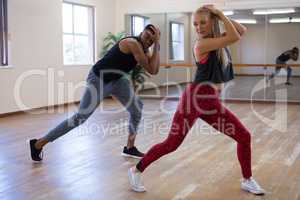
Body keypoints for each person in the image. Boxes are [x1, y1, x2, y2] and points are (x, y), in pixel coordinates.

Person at [128, 5, 265, 195]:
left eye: (203, 22)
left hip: (211, 102)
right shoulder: (202, 44)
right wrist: (219, 15)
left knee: (243, 136)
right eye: (195, 24)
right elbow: (235, 36)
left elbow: (241, 30)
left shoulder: (217, 40)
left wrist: (218, 15)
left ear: (212, 22)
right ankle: (136, 170)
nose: (198, 27)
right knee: (172, 143)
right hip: (194, 100)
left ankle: (247, 179)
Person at [29, 24, 161, 161]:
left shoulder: (146, 50)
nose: (148, 41)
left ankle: (129, 148)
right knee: (80, 117)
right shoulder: (132, 43)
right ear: (141, 32)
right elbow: (151, 68)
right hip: (99, 79)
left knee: (136, 108)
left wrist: (156, 44)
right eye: (147, 36)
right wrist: (156, 42)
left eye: (152, 40)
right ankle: (38, 144)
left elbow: (154, 70)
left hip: (117, 80)